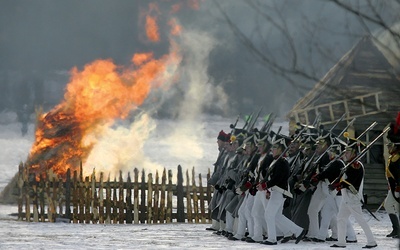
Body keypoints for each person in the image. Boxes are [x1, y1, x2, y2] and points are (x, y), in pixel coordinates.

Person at [258, 133, 306, 245]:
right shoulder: (276, 161)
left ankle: (272, 239)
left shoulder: (282, 163)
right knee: (277, 216)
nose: (273, 150)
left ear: (281, 149)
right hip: (276, 191)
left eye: (275, 147)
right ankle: (297, 231)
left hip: (280, 191)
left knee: (269, 214)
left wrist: (265, 186)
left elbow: (277, 179)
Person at [330, 137, 377, 249]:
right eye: (345, 151)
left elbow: (351, 182)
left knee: (360, 220)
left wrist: (339, 185)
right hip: (346, 198)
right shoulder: (349, 164)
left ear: (354, 153)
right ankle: (341, 242)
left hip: (352, 197)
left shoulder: (356, 165)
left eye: (348, 151)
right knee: (341, 218)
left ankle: (372, 241)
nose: (345, 153)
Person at [206, 130, 230, 231]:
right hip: (219, 182)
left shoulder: (225, 154)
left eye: (219, 140)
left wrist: (215, 180)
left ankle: (222, 227)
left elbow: (222, 170)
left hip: (222, 182)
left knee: (221, 205)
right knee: (215, 203)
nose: (217, 142)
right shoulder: (222, 153)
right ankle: (216, 225)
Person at [384, 113, 400, 239]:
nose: (388, 147)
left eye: (390, 145)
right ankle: (396, 229)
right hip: (394, 187)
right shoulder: (393, 157)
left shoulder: (398, 158)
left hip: (398, 187)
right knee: (388, 205)